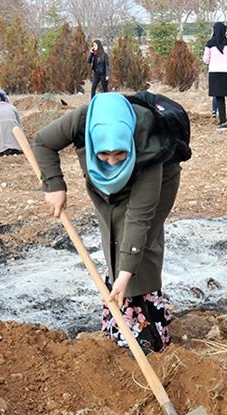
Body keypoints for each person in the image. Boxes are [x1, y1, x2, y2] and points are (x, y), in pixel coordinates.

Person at [32, 92, 183, 353]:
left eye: (119, 155)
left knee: (139, 242)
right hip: (103, 189)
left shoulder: (148, 145)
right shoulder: (82, 120)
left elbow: (139, 218)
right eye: (104, 155)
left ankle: (145, 329)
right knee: (114, 236)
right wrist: (54, 185)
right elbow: (43, 142)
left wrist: (123, 279)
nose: (112, 162)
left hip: (159, 178)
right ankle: (121, 320)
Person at [204, 22, 227, 130]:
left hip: (215, 72)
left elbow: (206, 60)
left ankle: (223, 123)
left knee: (219, 98)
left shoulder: (210, 43)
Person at [0, 88, 24, 157]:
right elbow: (20, 126)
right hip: (15, 140)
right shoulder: (13, 107)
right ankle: (15, 148)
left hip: (0, 142)